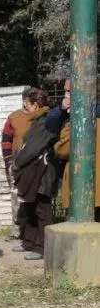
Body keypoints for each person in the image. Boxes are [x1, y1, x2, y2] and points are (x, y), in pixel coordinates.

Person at [1, 87, 51, 242]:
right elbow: (5, 141)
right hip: (17, 164)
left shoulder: (42, 119)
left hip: (35, 165)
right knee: (17, 199)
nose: (26, 106)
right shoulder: (14, 118)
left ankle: (33, 238)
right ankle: (18, 231)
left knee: (35, 203)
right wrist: (9, 161)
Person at [53, 79, 100, 221]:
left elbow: (62, 149)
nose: (66, 94)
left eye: (69, 91)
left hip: (84, 184)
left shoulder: (78, 120)